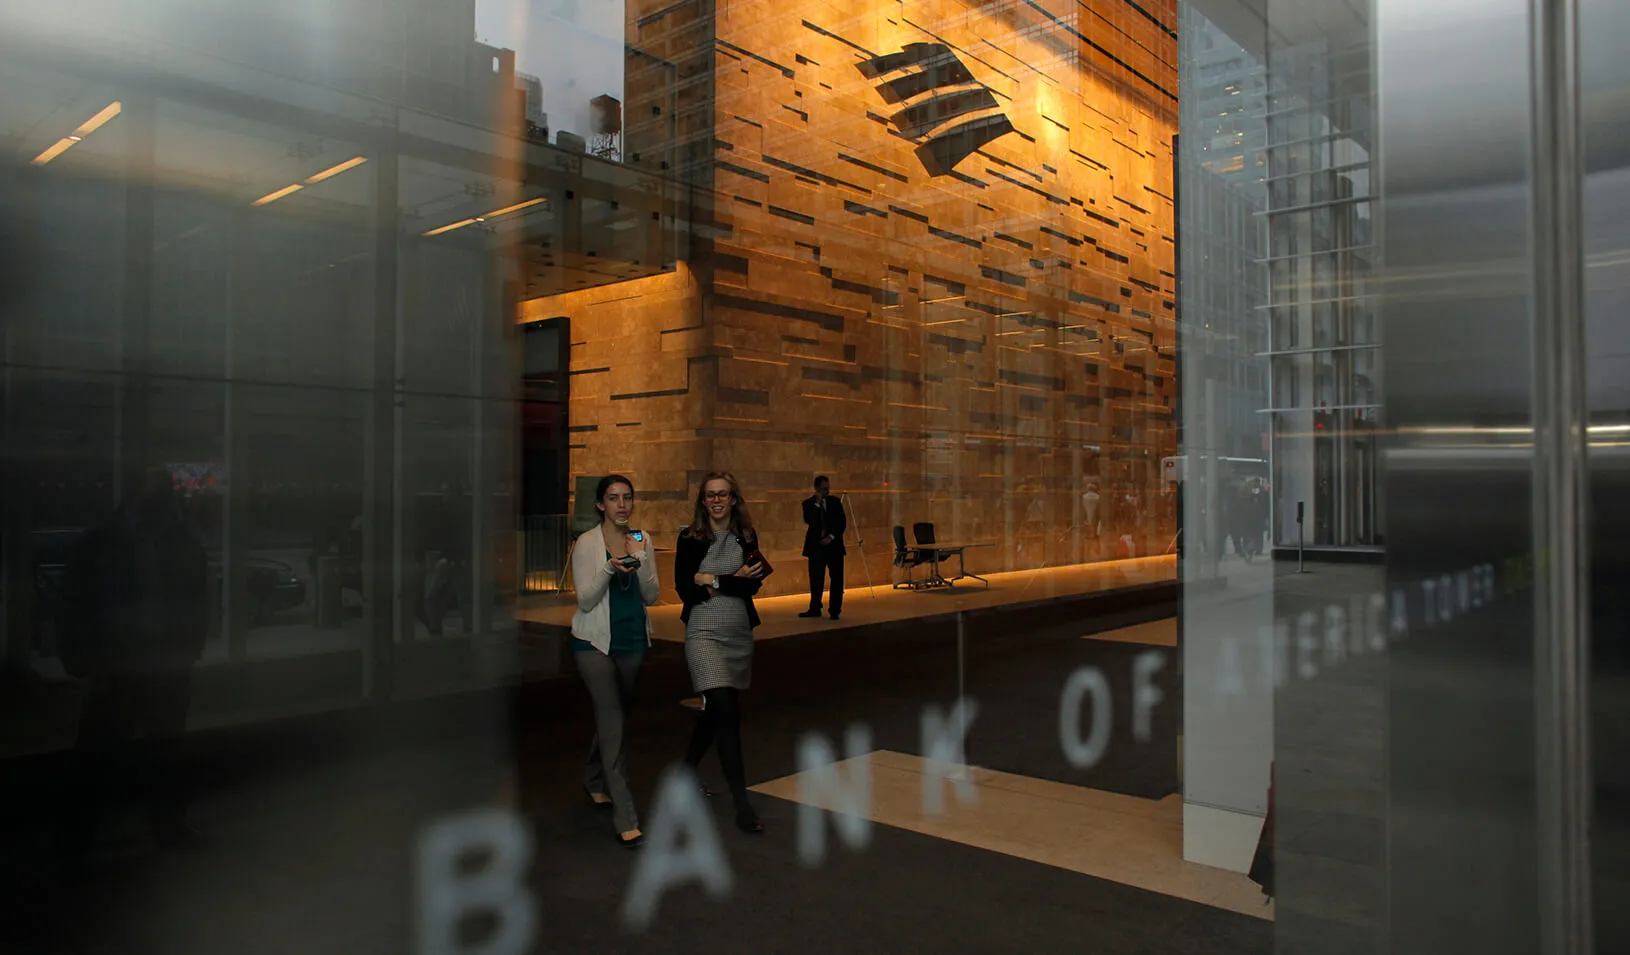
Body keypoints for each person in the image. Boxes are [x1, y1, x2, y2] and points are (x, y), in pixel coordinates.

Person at [56, 467, 210, 857]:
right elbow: (197, 597)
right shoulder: (180, 541)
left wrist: (80, 661)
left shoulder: (98, 542)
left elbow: (74, 604)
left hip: (130, 665)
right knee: (147, 751)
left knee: (105, 752)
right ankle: (163, 827)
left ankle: (82, 836)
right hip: (141, 664)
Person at [674, 472, 769, 833]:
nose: (716, 501)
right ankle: (742, 804)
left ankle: (684, 771)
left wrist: (712, 581)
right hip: (703, 633)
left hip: (738, 633)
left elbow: (753, 585)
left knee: (717, 711)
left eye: (723, 494)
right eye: (710, 495)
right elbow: (685, 588)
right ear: (703, 501)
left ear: (733, 499)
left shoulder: (746, 536)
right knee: (725, 711)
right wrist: (733, 581)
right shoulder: (690, 538)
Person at [569, 474, 660, 848]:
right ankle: (626, 818)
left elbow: (652, 596)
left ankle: (593, 778)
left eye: (627, 498)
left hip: (634, 639)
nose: (622, 505)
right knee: (613, 722)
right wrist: (610, 567)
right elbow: (585, 601)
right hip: (593, 643)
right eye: (613, 498)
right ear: (599, 505)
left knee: (615, 718)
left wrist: (640, 562)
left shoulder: (643, 539)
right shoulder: (586, 543)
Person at [799, 475, 846, 620]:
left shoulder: (835, 502)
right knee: (816, 579)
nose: (827, 491)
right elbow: (810, 521)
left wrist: (831, 536)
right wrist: (817, 505)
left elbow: (841, 522)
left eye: (828, 488)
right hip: (816, 547)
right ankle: (815, 607)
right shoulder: (808, 504)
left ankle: (835, 609)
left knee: (837, 579)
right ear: (817, 488)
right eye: (824, 488)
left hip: (834, 546)